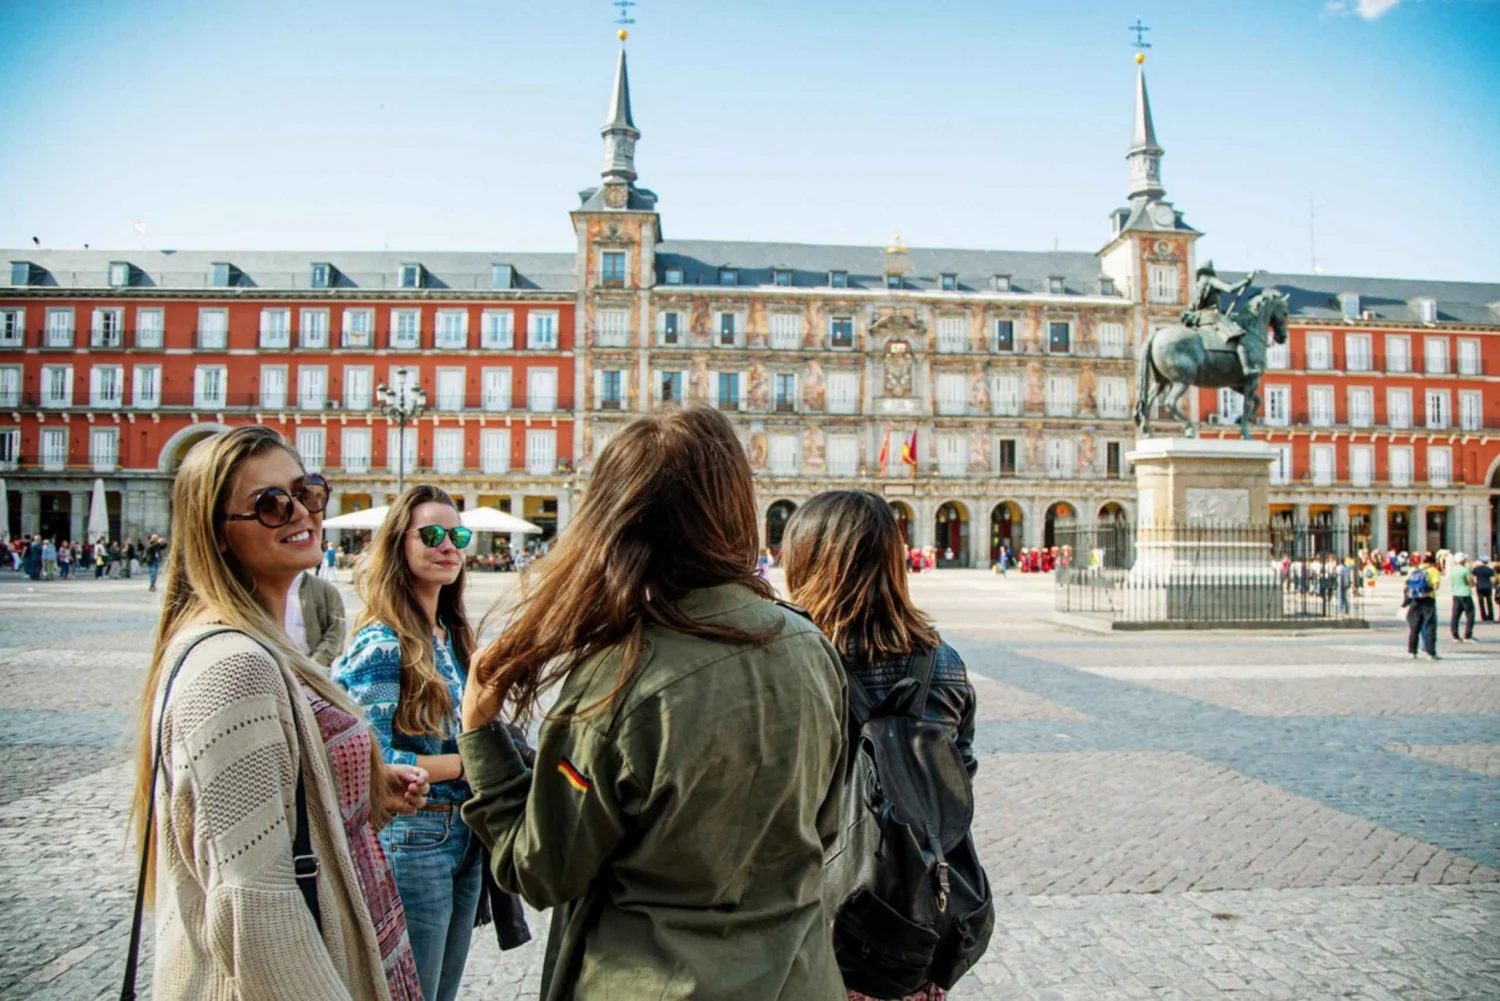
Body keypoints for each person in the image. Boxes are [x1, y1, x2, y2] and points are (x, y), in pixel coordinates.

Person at [458, 405, 848, 1001]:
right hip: (797, 977)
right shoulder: (810, 646)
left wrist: (481, 733)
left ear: (612, 521)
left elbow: (541, 869)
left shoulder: (617, 683)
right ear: (734, 506)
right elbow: (822, 823)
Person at [127, 425, 429, 1000]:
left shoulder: (270, 648)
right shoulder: (232, 667)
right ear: (216, 534)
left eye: (307, 492)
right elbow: (257, 911)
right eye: (270, 505)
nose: (301, 513)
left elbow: (282, 821)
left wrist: (358, 790)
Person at [780, 490, 982, 1001]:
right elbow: (958, 782)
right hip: (911, 928)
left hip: (812, 927)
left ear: (804, 561)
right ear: (894, 562)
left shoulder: (789, 662)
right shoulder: (946, 664)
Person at [334, 486, 483, 1001]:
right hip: (413, 835)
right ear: (399, 544)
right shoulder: (382, 641)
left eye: (458, 535)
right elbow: (371, 758)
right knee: (408, 993)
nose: (449, 547)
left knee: (441, 992)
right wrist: (465, 765)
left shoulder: (449, 634)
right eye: (434, 535)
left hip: (463, 838)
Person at [292, 567, 349, 668]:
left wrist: (317, 662)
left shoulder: (324, 589)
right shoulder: (261, 588)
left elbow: (336, 632)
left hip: (313, 669)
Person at [1403, 553, 1441, 661]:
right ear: (1433, 562)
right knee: (1430, 626)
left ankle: (1412, 652)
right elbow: (1436, 586)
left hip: (1415, 600)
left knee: (1414, 627)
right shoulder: (1433, 570)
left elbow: (1406, 584)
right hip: (1428, 600)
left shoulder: (1413, 569)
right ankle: (1430, 653)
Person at [1449, 553, 1475, 644]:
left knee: (1455, 616)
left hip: (1456, 594)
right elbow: (1471, 583)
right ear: (1463, 561)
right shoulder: (1465, 570)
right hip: (1465, 594)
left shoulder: (1452, 570)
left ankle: (1455, 635)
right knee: (1470, 615)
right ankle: (1467, 635)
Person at [1473, 557, 1495, 623]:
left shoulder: (1476, 569)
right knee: (1489, 602)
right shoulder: (1490, 570)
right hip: (1488, 587)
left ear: (1481, 561)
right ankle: (1491, 617)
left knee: (1481, 602)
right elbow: (1492, 580)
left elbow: (1473, 577)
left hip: (1480, 587)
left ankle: (1484, 617)